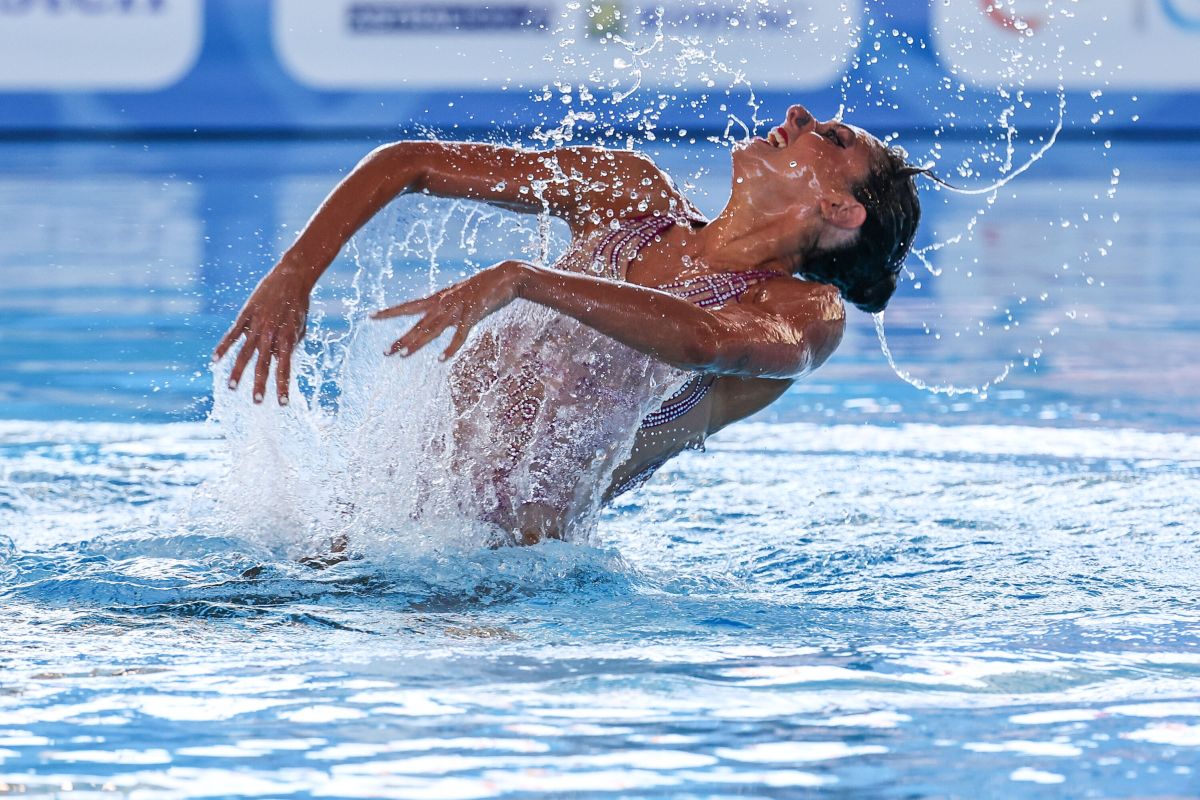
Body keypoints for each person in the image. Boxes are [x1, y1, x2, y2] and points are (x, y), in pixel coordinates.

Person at [213, 104, 923, 546]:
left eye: (830, 137)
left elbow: (705, 340)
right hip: (369, 531)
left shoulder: (802, 314)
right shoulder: (629, 195)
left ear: (841, 208)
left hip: (505, 582)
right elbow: (411, 163)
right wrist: (294, 277)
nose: (798, 114)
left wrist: (527, 280)